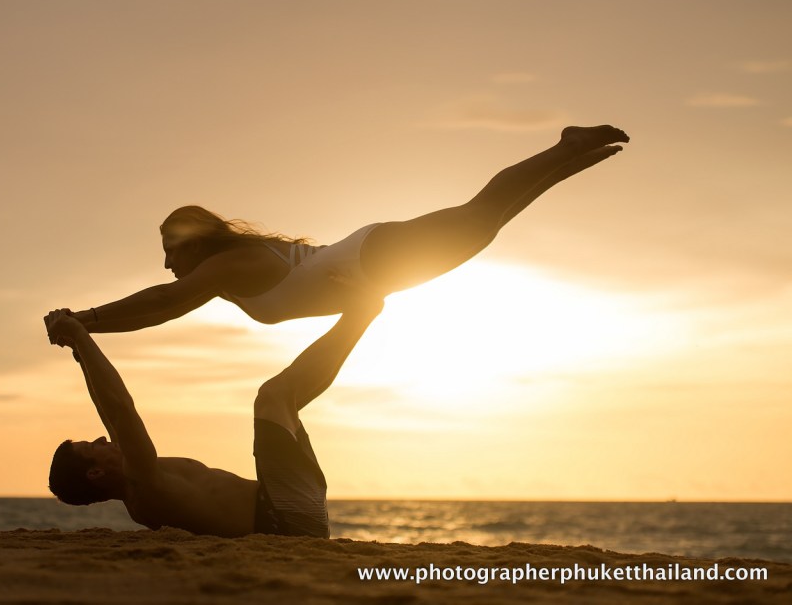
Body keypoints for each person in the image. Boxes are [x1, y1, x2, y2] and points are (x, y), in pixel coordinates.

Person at [52, 125, 628, 331]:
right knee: (484, 224)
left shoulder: (224, 268)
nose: (168, 263)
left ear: (194, 243)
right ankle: (567, 158)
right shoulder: (235, 265)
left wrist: (87, 320)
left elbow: (163, 303)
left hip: (374, 259)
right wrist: (90, 327)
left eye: (169, 250)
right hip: (375, 255)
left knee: (479, 218)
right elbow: (163, 299)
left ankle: (565, 146)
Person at [44, 294, 382, 538]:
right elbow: (120, 408)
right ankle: (362, 309)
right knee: (272, 397)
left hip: (293, 510)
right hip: (283, 514)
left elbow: (109, 412)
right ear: (96, 472)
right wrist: (81, 335)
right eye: (93, 445)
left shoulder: (137, 483)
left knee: (284, 400)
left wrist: (79, 352)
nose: (103, 439)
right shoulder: (141, 484)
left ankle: (363, 312)